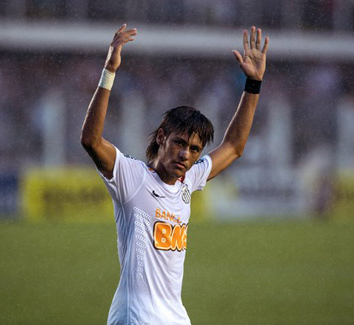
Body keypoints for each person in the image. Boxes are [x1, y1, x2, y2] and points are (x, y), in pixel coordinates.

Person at [81, 23, 268, 325]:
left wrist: (253, 85)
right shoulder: (132, 177)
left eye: (195, 149)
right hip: (135, 318)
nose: (186, 155)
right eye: (179, 143)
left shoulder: (188, 180)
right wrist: (109, 71)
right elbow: (91, 140)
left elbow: (234, 146)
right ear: (161, 139)